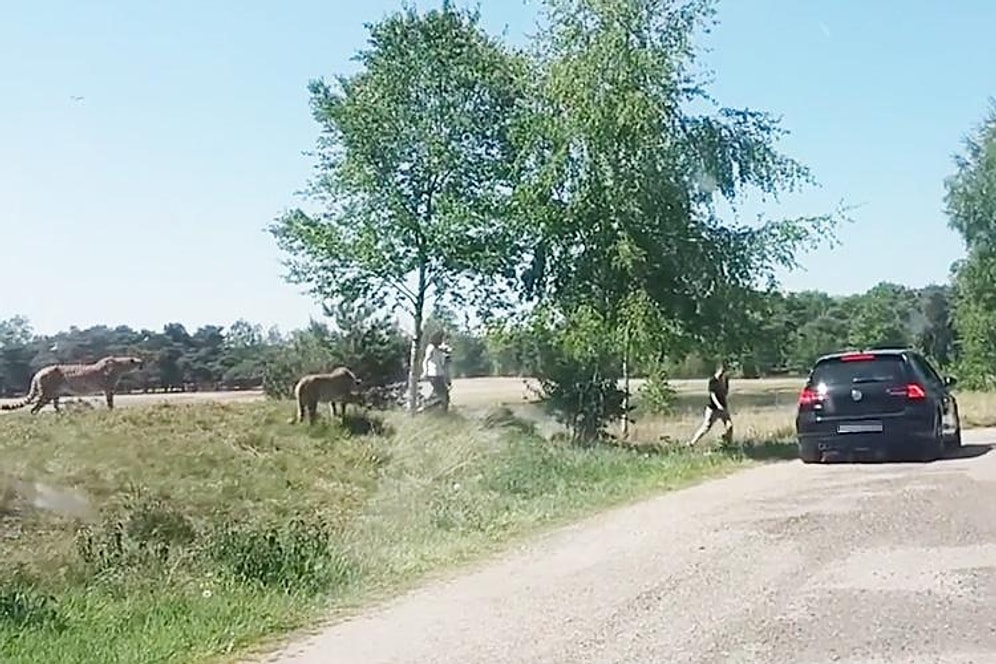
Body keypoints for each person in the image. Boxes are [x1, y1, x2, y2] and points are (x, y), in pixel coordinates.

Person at [687, 362, 733, 448]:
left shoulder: (724, 380)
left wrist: (726, 383)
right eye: (722, 372)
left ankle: (727, 444)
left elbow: (725, 393)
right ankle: (691, 443)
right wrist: (719, 406)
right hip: (713, 409)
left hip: (723, 407)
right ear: (718, 370)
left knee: (729, 426)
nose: (723, 374)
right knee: (706, 427)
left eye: (724, 372)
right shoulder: (713, 381)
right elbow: (713, 395)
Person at [419, 330, 452, 412]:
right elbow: (425, 360)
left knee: (441, 395)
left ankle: (432, 410)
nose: (442, 341)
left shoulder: (438, 349)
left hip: (439, 375)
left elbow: (444, 361)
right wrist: (425, 372)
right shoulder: (431, 348)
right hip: (433, 375)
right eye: (441, 339)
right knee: (443, 396)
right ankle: (427, 409)